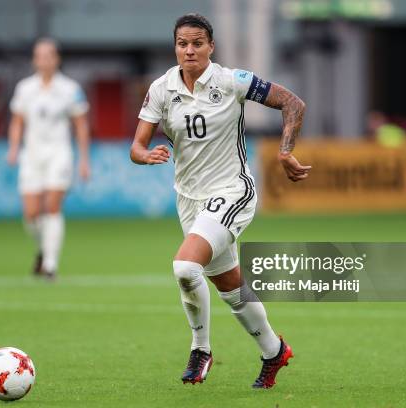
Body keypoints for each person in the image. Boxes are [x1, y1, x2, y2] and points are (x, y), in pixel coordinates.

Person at [130, 14, 310, 389]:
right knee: (230, 287)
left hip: (232, 191)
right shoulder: (162, 88)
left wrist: (285, 151)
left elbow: (293, 103)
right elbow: (137, 145)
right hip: (189, 200)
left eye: (197, 43)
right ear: (175, 47)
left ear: (211, 46)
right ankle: (274, 351)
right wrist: (144, 155)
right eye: (183, 43)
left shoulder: (232, 81)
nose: (190, 50)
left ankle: (201, 349)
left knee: (184, 268)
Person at [7, 38, 91, 280]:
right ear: (34, 59)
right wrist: (13, 148)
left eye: (48, 55)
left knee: (52, 206)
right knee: (31, 215)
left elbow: (80, 125)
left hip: (59, 152)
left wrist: (84, 159)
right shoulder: (25, 88)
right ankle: (44, 249)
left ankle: (50, 266)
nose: (44, 60)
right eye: (39, 55)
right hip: (31, 155)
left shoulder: (70, 89)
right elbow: (17, 121)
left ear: (57, 59)